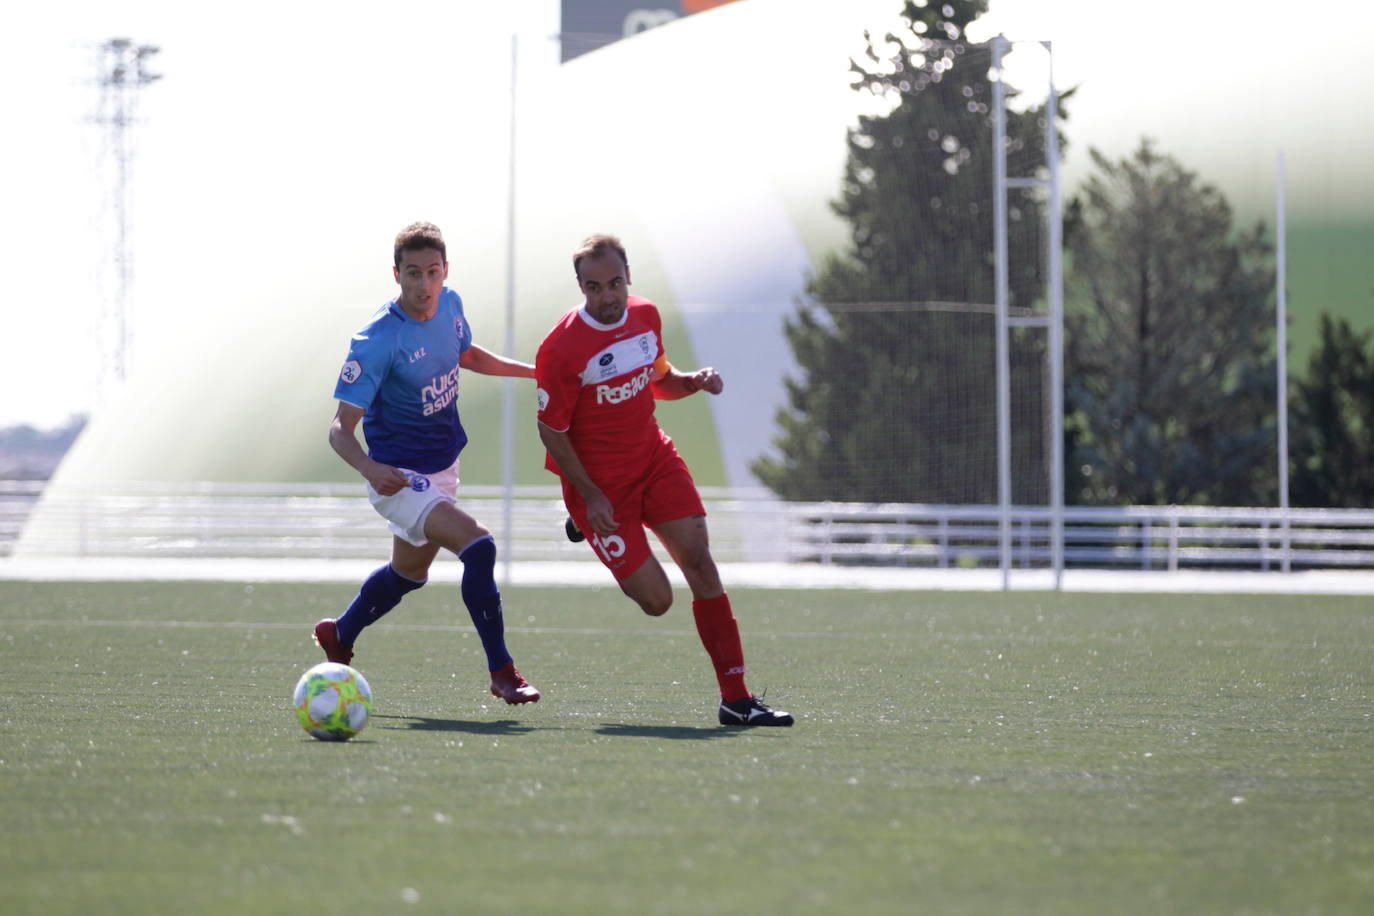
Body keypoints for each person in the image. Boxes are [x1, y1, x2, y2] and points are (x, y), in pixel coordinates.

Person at [535, 234, 793, 727]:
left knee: (699, 560)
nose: (606, 296)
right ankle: (580, 520)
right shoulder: (562, 348)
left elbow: (659, 379)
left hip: (654, 460)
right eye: (594, 288)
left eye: (614, 284)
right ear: (581, 287)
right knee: (657, 602)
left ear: (628, 277)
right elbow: (551, 431)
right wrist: (589, 496)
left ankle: (736, 700)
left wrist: (692, 381)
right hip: (601, 489)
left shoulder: (646, 317)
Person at [313, 221, 539, 706]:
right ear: (396, 275)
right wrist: (371, 470)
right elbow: (338, 428)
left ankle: (341, 632)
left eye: (432, 272)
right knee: (479, 548)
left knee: (408, 575)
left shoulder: (451, 304)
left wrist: (535, 372)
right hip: (399, 478)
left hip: (442, 468)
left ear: (445, 271)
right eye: (412, 273)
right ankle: (502, 671)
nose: (424, 285)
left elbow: (468, 354)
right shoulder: (377, 339)